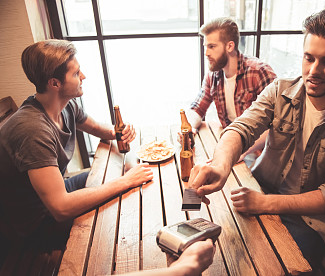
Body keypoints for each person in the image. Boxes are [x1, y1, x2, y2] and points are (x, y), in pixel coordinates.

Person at [188, 8, 325, 270]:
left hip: (309, 220)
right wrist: (221, 165)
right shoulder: (280, 90)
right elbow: (241, 128)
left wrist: (266, 203)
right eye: (309, 58)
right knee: (213, 249)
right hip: (260, 188)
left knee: (276, 267)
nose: (313, 71)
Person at [0, 39, 215, 276]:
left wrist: (119, 133)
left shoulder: (65, 106)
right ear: (54, 83)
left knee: (128, 183)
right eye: (76, 73)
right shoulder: (32, 130)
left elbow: (104, 130)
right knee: (118, 217)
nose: (84, 76)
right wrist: (125, 181)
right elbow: (60, 208)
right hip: (33, 223)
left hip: (56, 191)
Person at [182, 17, 277, 162]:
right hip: (232, 145)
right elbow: (197, 108)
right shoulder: (213, 75)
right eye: (205, 46)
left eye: (212, 46)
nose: (206, 53)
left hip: (261, 153)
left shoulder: (259, 72)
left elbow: (278, 126)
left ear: (230, 46)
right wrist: (188, 129)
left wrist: (241, 149)